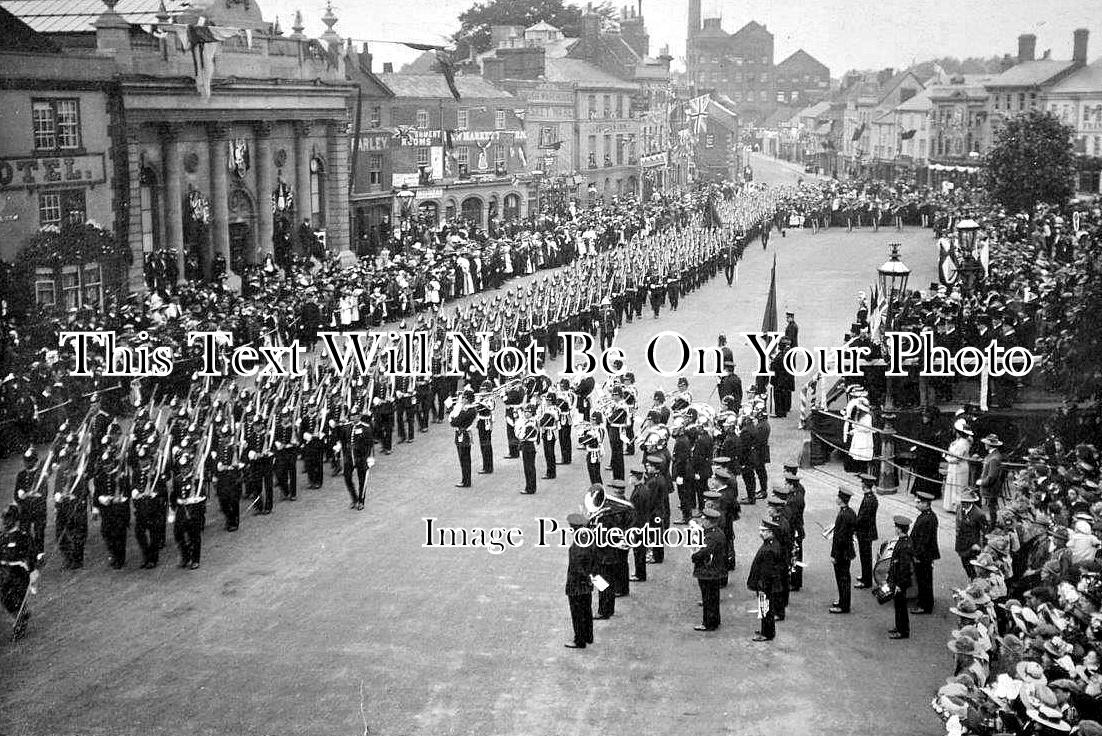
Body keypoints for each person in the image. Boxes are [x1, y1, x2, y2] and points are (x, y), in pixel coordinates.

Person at [0, 504, 37, 640]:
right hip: (4, 574)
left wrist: (32, 573)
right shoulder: (1, 537)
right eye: (4, 518)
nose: (5, 522)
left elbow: (31, 556)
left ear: (15, 520)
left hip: (19, 575)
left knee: (17, 600)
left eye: (8, 518)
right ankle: (22, 614)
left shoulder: (23, 537)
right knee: (5, 600)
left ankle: (19, 626)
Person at [747, 519, 784, 642]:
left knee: (765, 609)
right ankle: (766, 631)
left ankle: (767, 633)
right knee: (765, 609)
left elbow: (766, 572)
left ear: (771, 532)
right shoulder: (772, 544)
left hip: (765, 586)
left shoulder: (769, 549)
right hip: (768, 585)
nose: (761, 533)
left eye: (764, 531)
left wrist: (762, 588)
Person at [692, 508, 727, 631]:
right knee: (713, 597)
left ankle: (708, 623)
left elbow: (703, 552)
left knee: (708, 598)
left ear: (709, 521)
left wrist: (694, 556)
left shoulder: (711, 537)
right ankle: (714, 620)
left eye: (704, 519)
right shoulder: (717, 532)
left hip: (708, 571)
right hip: (715, 570)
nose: (702, 521)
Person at [564, 512, 595, 649]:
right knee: (587, 611)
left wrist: (586, 578)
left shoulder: (577, 546)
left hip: (577, 585)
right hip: (586, 585)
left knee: (577, 614)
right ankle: (588, 636)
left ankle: (579, 640)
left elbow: (577, 567)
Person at [909, 491, 940, 614]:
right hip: (925, 554)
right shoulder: (927, 515)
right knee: (924, 579)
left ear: (926, 504)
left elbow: (923, 541)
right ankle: (926, 601)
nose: (917, 504)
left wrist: (916, 555)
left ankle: (924, 605)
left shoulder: (927, 519)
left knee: (924, 580)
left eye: (919, 502)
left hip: (923, 555)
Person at [886, 515, 915, 640]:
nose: (895, 529)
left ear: (899, 529)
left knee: (901, 607)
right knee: (898, 606)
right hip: (897, 579)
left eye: (896, 527)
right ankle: (899, 627)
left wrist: (899, 584)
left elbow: (904, 567)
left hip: (900, 581)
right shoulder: (903, 541)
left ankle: (903, 631)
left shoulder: (905, 545)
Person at [830, 487, 858, 614]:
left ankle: (844, 605)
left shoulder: (843, 515)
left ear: (841, 500)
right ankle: (842, 601)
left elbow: (839, 538)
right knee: (844, 578)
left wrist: (834, 554)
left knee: (842, 579)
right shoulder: (850, 512)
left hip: (842, 552)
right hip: (847, 550)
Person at [854, 474, 880, 589]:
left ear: (864, 485)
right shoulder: (870, 497)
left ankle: (866, 581)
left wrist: (854, 526)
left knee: (865, 556)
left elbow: (863, 517)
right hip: (866, 531)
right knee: (865, 556)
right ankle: (865, 576)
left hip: (865, 532)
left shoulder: (869, 500)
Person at [956, 488, 987, 579]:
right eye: (962, 502)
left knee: (972, 567)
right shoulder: (959, 508)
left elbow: (985, 532)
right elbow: (958, 523)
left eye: (965, 502)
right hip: (962, 543)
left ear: (971, 502)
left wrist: (980, 546)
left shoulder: (979, 514)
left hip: (973, 545)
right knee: (965, 564)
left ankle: (975, 582)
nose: (963, 504)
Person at [944, 419, 974, 512]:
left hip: (959, 466)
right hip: (956, 467)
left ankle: (957, 507)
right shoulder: (959, 441)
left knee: (958, 487)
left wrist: (946, 457)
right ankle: (952, 506)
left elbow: (957, 458)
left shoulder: (962, 443)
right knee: (953, 485)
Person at [975, 433, 1005, 526]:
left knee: (990, 508)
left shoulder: (994, 458)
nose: (985, 445)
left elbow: (992, 476)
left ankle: (991, 526)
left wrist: (981, 482)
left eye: (986, 443)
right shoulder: (992, 455)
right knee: (990, 507)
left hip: (990, 489)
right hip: (989, 489)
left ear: (989, 445)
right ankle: (990, 525)